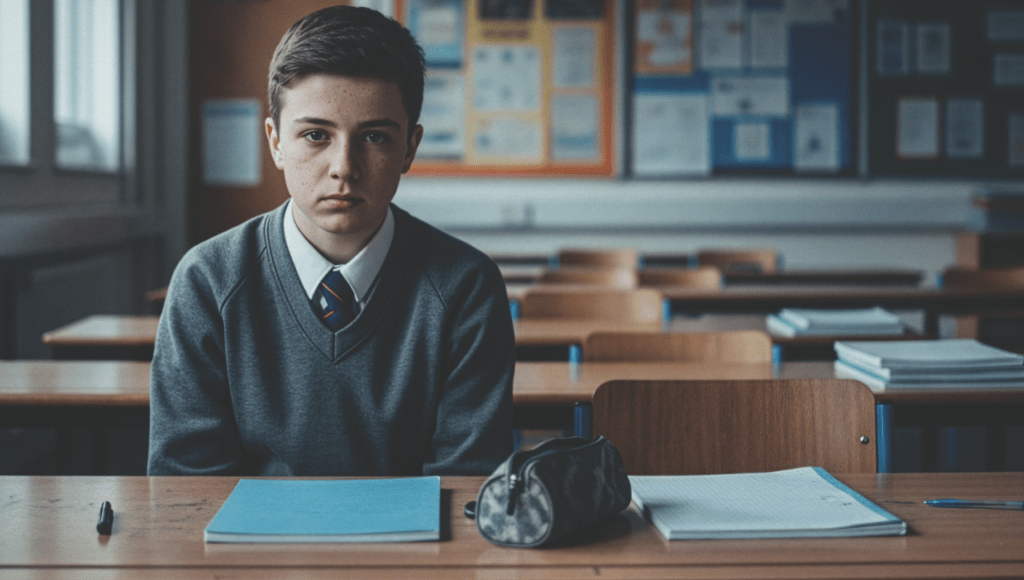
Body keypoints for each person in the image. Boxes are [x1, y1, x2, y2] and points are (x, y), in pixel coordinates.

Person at [148, 5, 514, 476]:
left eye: (375, 138)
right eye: (316, 134)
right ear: (276, 141)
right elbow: (186, 487)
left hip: (418, 549)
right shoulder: (207, 281)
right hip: (248, 548)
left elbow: (467, 484)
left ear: (410, 148)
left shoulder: (466, 286)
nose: (344, 166)